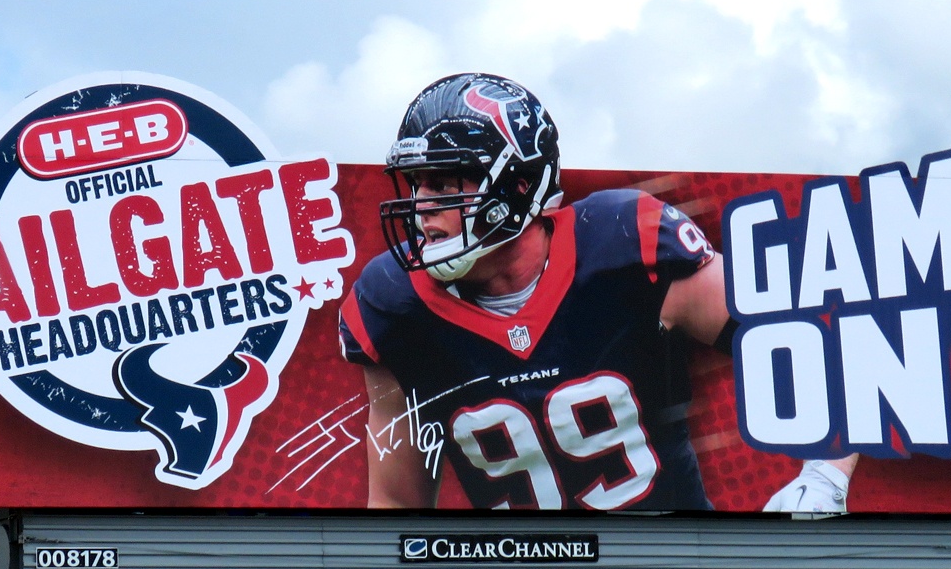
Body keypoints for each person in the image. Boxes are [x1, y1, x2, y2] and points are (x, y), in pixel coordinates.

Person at [338, 72, 853, 512]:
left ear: (519, 186)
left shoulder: (624, 245)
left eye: (445, 186)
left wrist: (826, 477)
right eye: (417, 184)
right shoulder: (392, 306)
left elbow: (809, 348)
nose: (422, 208)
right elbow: (398, 511)